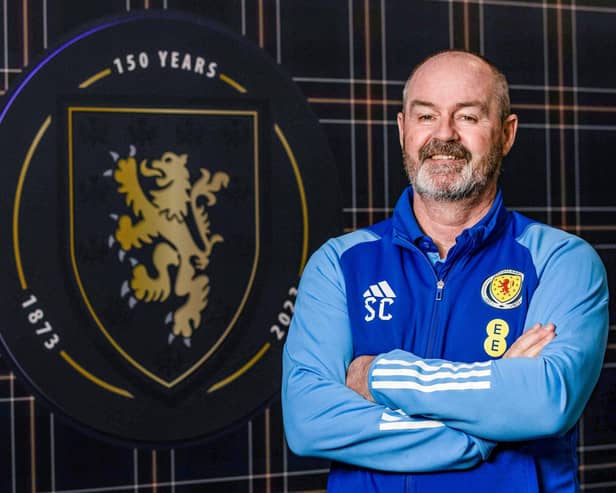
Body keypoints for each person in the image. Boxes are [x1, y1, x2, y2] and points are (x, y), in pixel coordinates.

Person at [281, 50, 609, 493]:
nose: (444, 135)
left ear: (506, 134)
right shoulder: (339, 264)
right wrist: (480, 431)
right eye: (426, 116)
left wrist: (378, 374)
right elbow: (309, 422)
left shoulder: (561, 259)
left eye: (468, 117)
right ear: (402, 130)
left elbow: (544, 400)